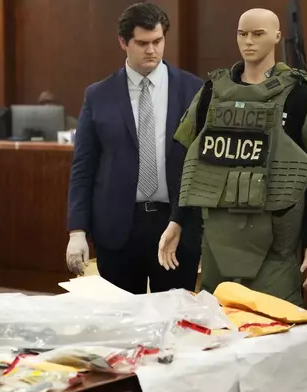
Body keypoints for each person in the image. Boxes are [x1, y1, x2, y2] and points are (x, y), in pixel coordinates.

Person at [158, 9, 307, 305]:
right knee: (219, 332)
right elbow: (195, 165)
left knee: (275, 332)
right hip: (218, 241)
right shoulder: (211, 91)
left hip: (277, 244)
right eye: (242, 33)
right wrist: (177, 221)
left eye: (257, 33)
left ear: (276, 36)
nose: (248, 41)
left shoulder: (301, 93)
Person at [66, 2, 204, 294]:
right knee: (123, 325)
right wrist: (77, 231)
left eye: (158, 41)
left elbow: (204, 164)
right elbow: (83, 168)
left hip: (176, 224)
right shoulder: (99, 95)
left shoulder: (194, 90)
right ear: (123, 43)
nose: (152, 50)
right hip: (117, 229)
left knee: (174, 321)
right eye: (142, 43)